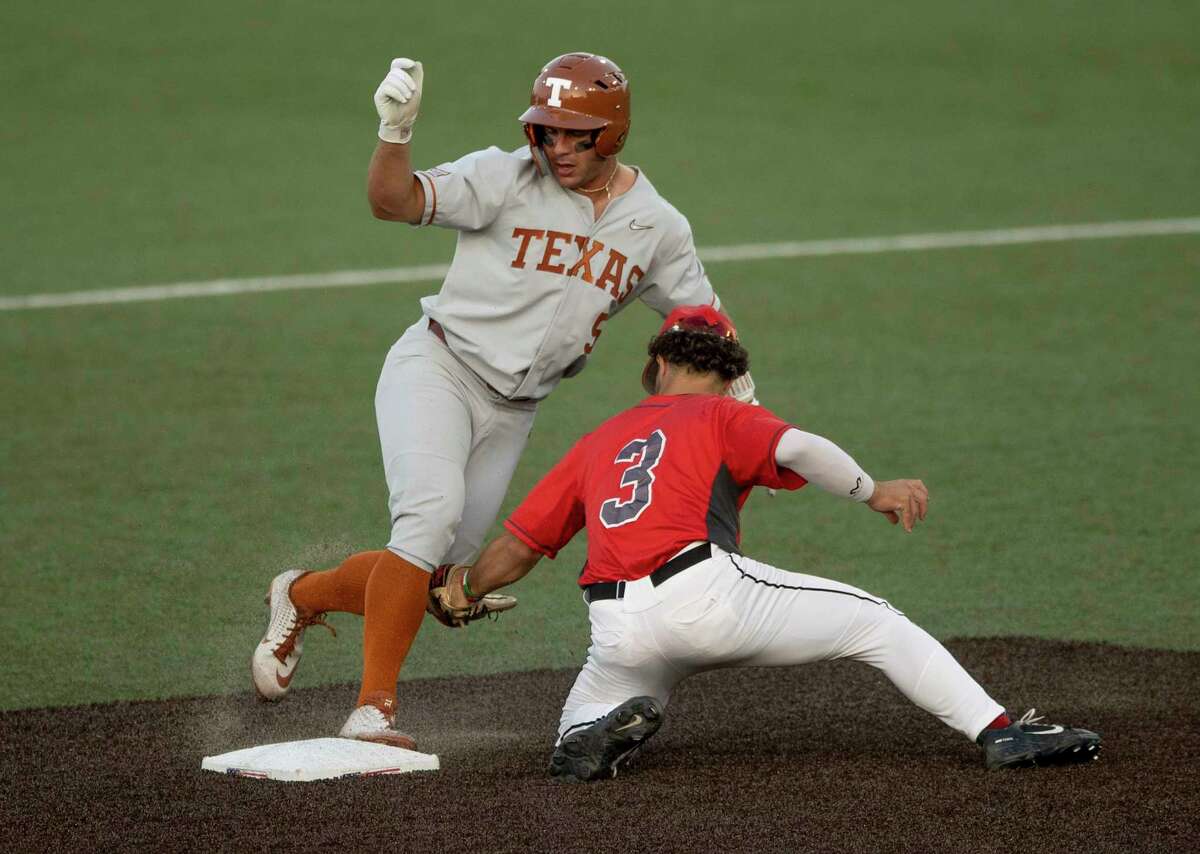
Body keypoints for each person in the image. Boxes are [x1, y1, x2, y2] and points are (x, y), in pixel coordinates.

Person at [250, 53, 757, 748]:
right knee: (425, 521)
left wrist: (743, 399)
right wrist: (394, 134)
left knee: (434, 579)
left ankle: (299, 595)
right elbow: (390, 202)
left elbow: (703, 318)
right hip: (438, 368)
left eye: (574, 135)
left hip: (516, 409)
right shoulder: (501, 176)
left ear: (611, 136)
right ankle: (374, 711)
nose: (556, 147)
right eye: (546, 132)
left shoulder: (656, 226)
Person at [428, 304, 1103, 778]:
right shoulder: (723, 412)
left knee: (583, 723)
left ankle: (585, 740)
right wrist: (876, 491)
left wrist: (463, 587)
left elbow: (518, 547)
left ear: (657, 363)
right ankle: (1001, 731)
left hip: (616, 625)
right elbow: (801, 447)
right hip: (705, 597)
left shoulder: (598, 440)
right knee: (875, 621)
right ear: (729, 368)